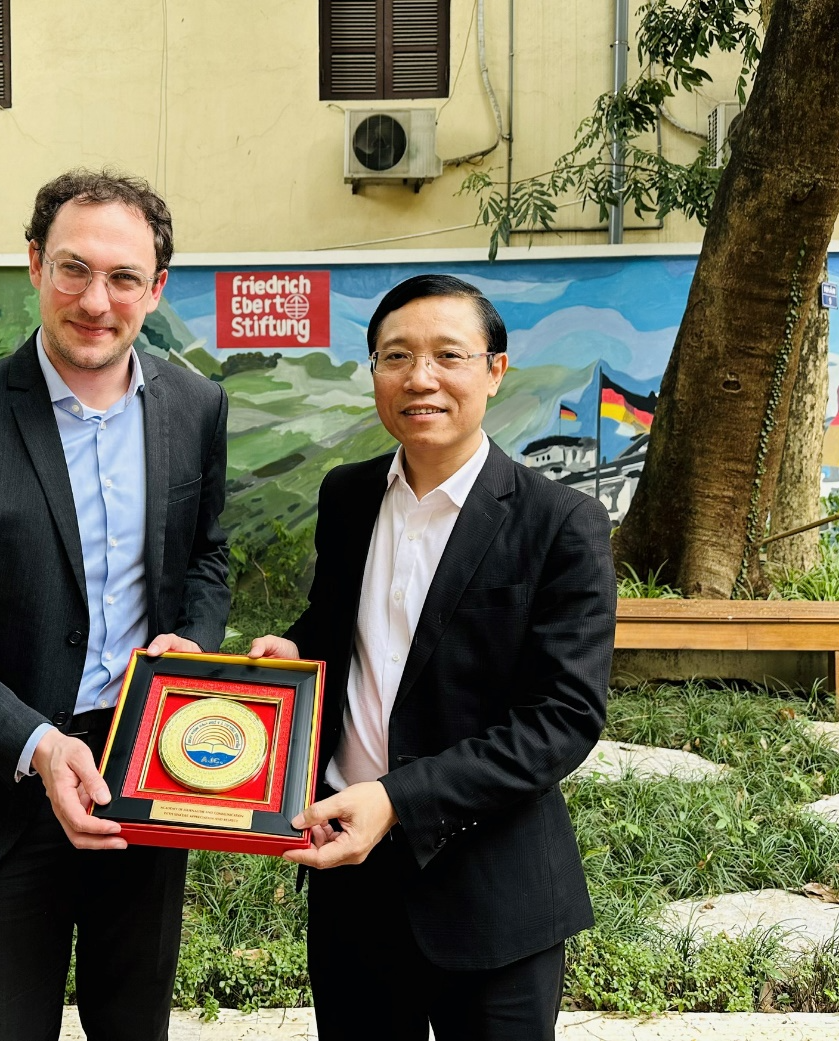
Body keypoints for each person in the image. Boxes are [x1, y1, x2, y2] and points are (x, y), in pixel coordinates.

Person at [0, 169, 230, 1041]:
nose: (96, 301)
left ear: (156, 287)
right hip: (0, 776)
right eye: (74, 268)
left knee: (133, 1025)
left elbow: (206, 559)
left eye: (124, 277)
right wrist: (36, 743)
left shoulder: (196, 406)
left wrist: (193, 639)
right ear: (35, 264)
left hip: (147, 770)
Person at [249, 274, 616, 1041]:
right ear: (375, 372)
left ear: (494, 369)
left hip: (491, 892)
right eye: (396, 356)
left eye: (449, 355)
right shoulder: (347, 497)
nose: (420, 378)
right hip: (349, 878)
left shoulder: (560, 523)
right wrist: (295, 648)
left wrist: (397, 799)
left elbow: (562, 718)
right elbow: (339, 622)